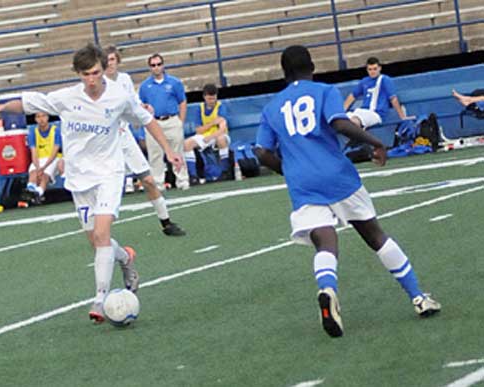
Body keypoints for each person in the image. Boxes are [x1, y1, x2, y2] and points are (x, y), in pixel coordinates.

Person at [0, 43, 183, 324]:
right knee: (96, 241)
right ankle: (125, 258)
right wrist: (1, 107)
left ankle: (100, 299)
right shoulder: (66, 98)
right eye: (86, 74)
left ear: (104, 70)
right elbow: (29, 102)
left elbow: (147, 120)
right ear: (78, 74)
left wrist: (169, 150)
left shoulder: (119, 96)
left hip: (109, 174)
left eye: (96, 73)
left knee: (102, 233)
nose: (92, 80)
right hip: (79, 179)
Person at [255, 45, 440, 338]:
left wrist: (288, 169)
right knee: (375, 235)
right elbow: (339, 123)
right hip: (337, 176)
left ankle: (327, 289)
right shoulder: (325, 91)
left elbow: (262, 152)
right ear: (312, 66)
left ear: (283, 72)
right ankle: (418, 297)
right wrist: (376, 143)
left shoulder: (271, 107)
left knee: (325, 243)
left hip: (303, 184)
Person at [104, 46, 185, 236]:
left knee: (148, 179)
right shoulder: (99, 83)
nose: (110, 64)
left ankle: (166, 221)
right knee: (108, 186)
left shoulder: (124, 79)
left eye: (113, 59)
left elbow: (133, 101)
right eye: (107, 60)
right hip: (106, 140)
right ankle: (99, 229)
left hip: (124, 135)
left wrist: (143, 107)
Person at [139, 53, 190, 190]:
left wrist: (181, 121)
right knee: (155, 154)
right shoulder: (145, 86)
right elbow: (142, 105)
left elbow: (182, 101)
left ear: (163, 65)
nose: (156, 67)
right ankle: (158, 183)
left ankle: (182, 180)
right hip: (154, 122)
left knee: (177, 151)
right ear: (150, 67)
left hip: (172, 120)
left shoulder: (174, 82)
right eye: (153, 65)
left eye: (158, 64)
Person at [183, 83, 231, 183]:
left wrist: (211, 136)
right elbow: (198, 130)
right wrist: (212, 123)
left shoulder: (221, 107)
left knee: (221, 139)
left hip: (218, 135)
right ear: (204, 97)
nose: (212, 101)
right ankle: (193, 176)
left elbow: (222, 128)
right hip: (204, 135)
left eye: (214, 98)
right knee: (187, 144)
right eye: (209, 99)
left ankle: (225, 171)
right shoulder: (199, 108)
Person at [343, 57, 407, 130]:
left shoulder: (385, 80)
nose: (372, 71)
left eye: (375, 69)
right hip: (362, 111)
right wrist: (342, 110)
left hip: (376, 113)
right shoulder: (364, 81)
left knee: (354, 121)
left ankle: (356, 138)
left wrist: (402, 116)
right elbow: (352, 95)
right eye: (370, 69)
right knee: (342, 119)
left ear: (379, 68)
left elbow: (393, 98)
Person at [25, 112, 62, 203]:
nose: (41, 119)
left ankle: (38, 193)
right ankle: (34, 195)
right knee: (33, 174)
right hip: (39, 159)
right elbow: (33, 151)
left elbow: (54, 151)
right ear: (35, 119)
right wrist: (38, 168)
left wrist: (43, 167)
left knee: (44, 176)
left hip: (53, 159)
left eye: (43, 116)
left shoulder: (55, 131)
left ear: (48, 117)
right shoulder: (33, 132)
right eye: (38, 117)